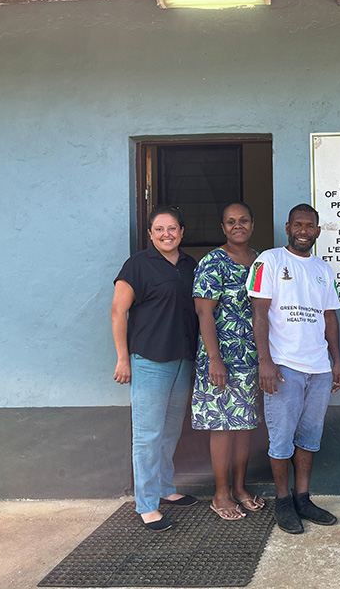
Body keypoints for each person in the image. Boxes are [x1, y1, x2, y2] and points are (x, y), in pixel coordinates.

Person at [246, 203, 340, 535]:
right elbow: (259, 313)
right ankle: (283, 500)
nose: (304, 230)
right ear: (288, 227)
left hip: (319, 368)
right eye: (298, 225)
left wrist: (337, 361)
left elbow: (329, 317)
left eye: (310, 226)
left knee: (309, 438)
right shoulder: (270, 261)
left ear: (318, 231)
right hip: (283, 366)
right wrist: (265, 361)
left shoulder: (323, 269)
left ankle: (303, 498)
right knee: (281, 438)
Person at [111, 205, 199, 532]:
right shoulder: (137, 266)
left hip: (182, 359)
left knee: (171, 429)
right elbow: (118, 311)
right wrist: (123, 358)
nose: (166, 234)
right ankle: (146, 503)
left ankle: (164, 487)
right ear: (150, 234)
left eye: (172, 228)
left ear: (182, 231)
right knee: (148, 434)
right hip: (148, 360)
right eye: (159, 229)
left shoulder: (190, 265)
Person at [192, 202, 265, 521]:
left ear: (252, 224)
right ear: (223, 227)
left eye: (244, 220)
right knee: (222, 426)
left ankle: (239, 487)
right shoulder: (213, 262)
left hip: (251, 359)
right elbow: (203, 312)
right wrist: (214, 358)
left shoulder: (261, 261)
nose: (238, 226)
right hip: (220, 359)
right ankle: (220, 493)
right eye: (231, 222)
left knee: (244, 425)